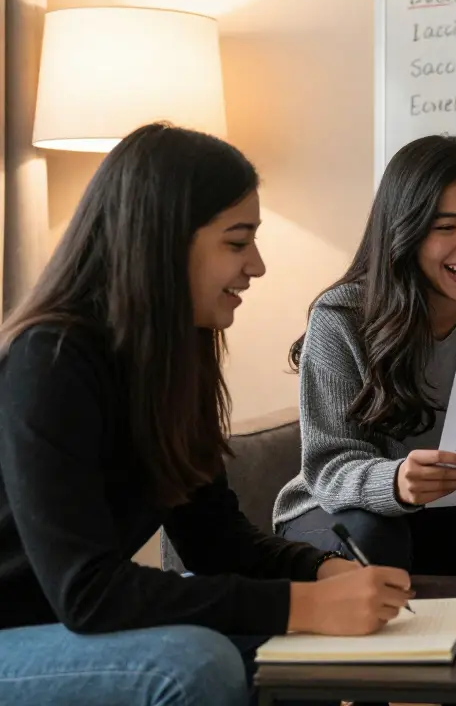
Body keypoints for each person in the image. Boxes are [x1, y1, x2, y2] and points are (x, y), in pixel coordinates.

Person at [0, 123, 413, 706]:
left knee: (296, 654)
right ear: (163, 240)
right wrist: (299, 605)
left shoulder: (173, 360)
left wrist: (321, 571)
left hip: (65, 625)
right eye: (237, 241)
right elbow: (87, 593)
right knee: (195, 664)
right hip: (17, 633)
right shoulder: (50, 359)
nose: (258, 266)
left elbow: (215, 543)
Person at [273, 135, 456, 576]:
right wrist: (397, 482)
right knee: (375, 538)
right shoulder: (341, 316)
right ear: (404, 231)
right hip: (341, 509)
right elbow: (328, 466)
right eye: (445, 228)